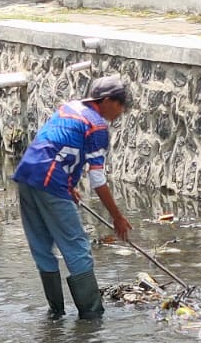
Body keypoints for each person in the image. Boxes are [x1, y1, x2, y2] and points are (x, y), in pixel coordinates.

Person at [11, 75, 132, 320]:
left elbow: (56, 146)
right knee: (77, 248)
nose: (121, 112)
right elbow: (98, 179)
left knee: (42, 247)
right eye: (120, 105)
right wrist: (117, 216)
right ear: (107, 101)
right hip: (50, 182)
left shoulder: (69, 108)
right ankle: (91, 317)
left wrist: (69, 184)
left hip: (27, 173)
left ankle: (55, 313)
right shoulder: (97, 125)